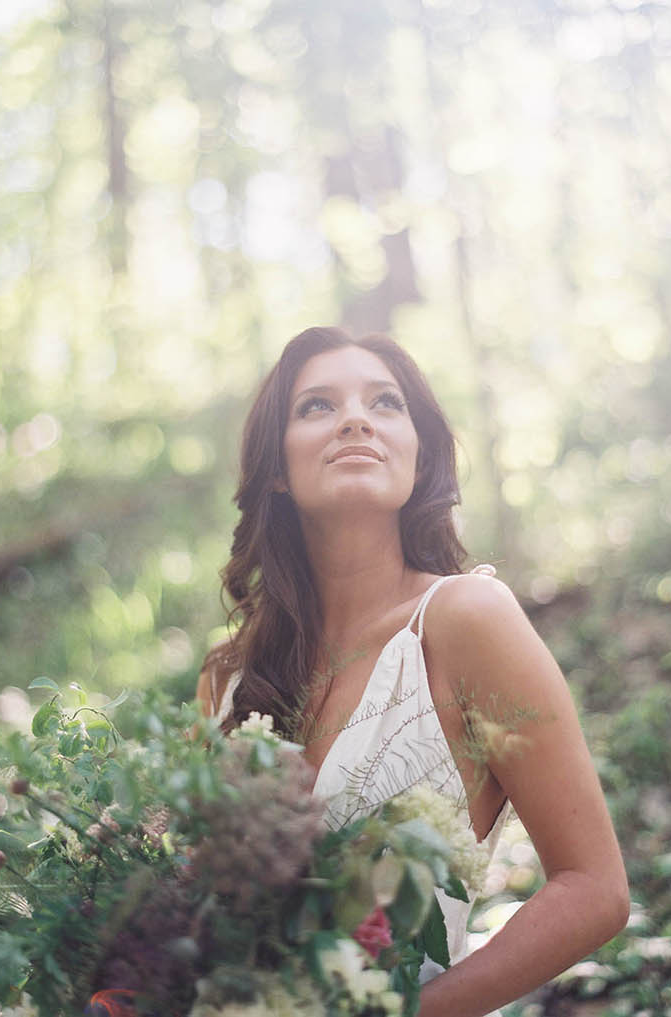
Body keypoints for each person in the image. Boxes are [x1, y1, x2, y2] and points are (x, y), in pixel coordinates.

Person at [194, 326, 629, 1016]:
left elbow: (595, 888)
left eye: (385, 403)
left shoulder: (466, 620)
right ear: (276, 467)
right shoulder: (227, 678)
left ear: (417, 453)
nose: (356, 418)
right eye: (317, 406)